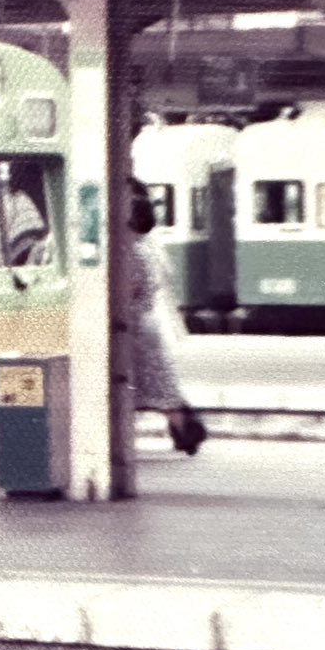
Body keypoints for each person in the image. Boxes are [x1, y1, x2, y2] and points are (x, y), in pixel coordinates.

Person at [128, 179, 208, 456]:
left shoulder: (133, 252)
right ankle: (185, 430)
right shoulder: (150, 248)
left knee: (132, 385)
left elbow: (131, 290)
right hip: (148, 324)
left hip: (135, 327)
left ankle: (186, 430)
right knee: (160, 386)